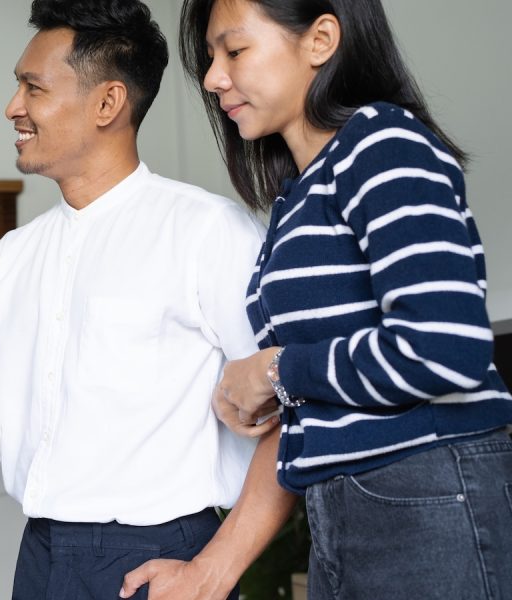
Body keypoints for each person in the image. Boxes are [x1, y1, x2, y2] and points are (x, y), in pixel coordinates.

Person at [0, 0, 295, 597]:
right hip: (41, 554)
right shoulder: (14, 255)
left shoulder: (208, 232)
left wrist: (214, 570)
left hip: (162, 555)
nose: (13, 107)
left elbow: (291, 409)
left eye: (33, 88)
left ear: (108, 103)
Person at [174, 0, 512, 597]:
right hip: (345, 506)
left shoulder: (382, 143)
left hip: (425, 492)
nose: (213, 78)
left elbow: (444, 349)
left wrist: (274, 371)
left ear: (320, 40)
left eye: (235, 50)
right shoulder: (300, 194)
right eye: (209, 58)